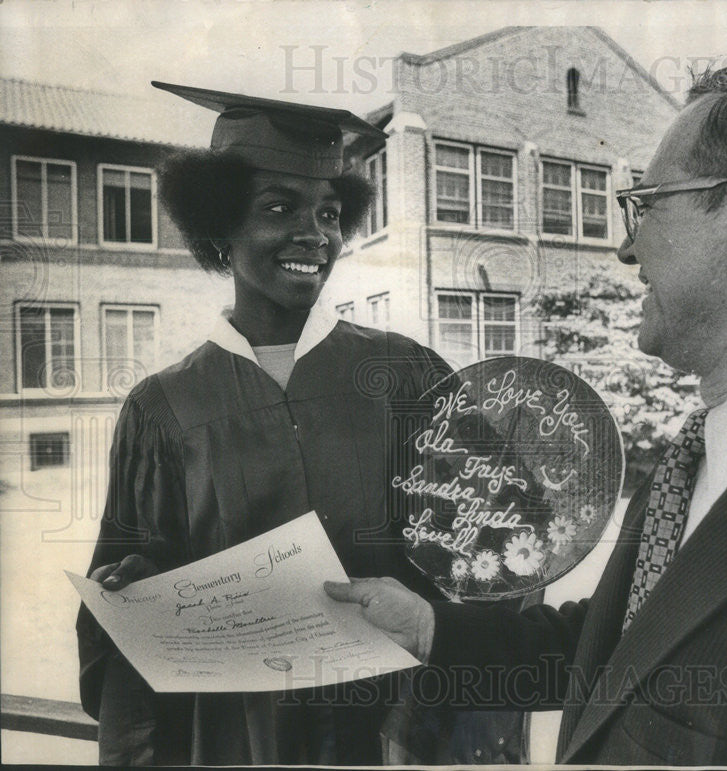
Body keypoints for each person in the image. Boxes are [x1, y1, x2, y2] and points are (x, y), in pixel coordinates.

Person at [325, 45, 727, 766]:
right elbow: (628, 647)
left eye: (645, 204)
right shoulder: (702, 450)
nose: (625, 248)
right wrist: (430, 628)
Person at [76, 82, 453, 765]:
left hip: (397, 731)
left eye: (331, 213)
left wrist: (430, 708)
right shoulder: (163, 408)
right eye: (279, 208)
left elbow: (499, 556)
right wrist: (139, 584)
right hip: (231, 740)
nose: (314, 235)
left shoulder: (407, 374)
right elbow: (123, 643)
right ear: (218, 223)